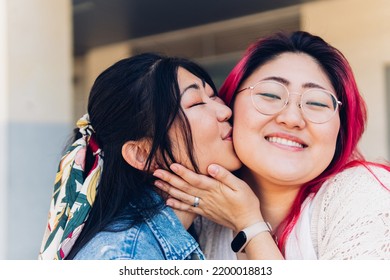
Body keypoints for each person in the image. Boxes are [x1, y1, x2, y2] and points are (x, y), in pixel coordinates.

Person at [153, 31, 390, 260]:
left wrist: (248, 224)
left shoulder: (365, 195)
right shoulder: (201, 212)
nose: (292, 119)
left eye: (317, 102)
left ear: (340, 129)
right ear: (229, 109)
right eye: (270, 95)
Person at [38, 52, 242, 260]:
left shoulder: (188, 232)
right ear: (141, 154)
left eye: (213, 95)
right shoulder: (124, 257)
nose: (224, 111)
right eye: (196, 103)